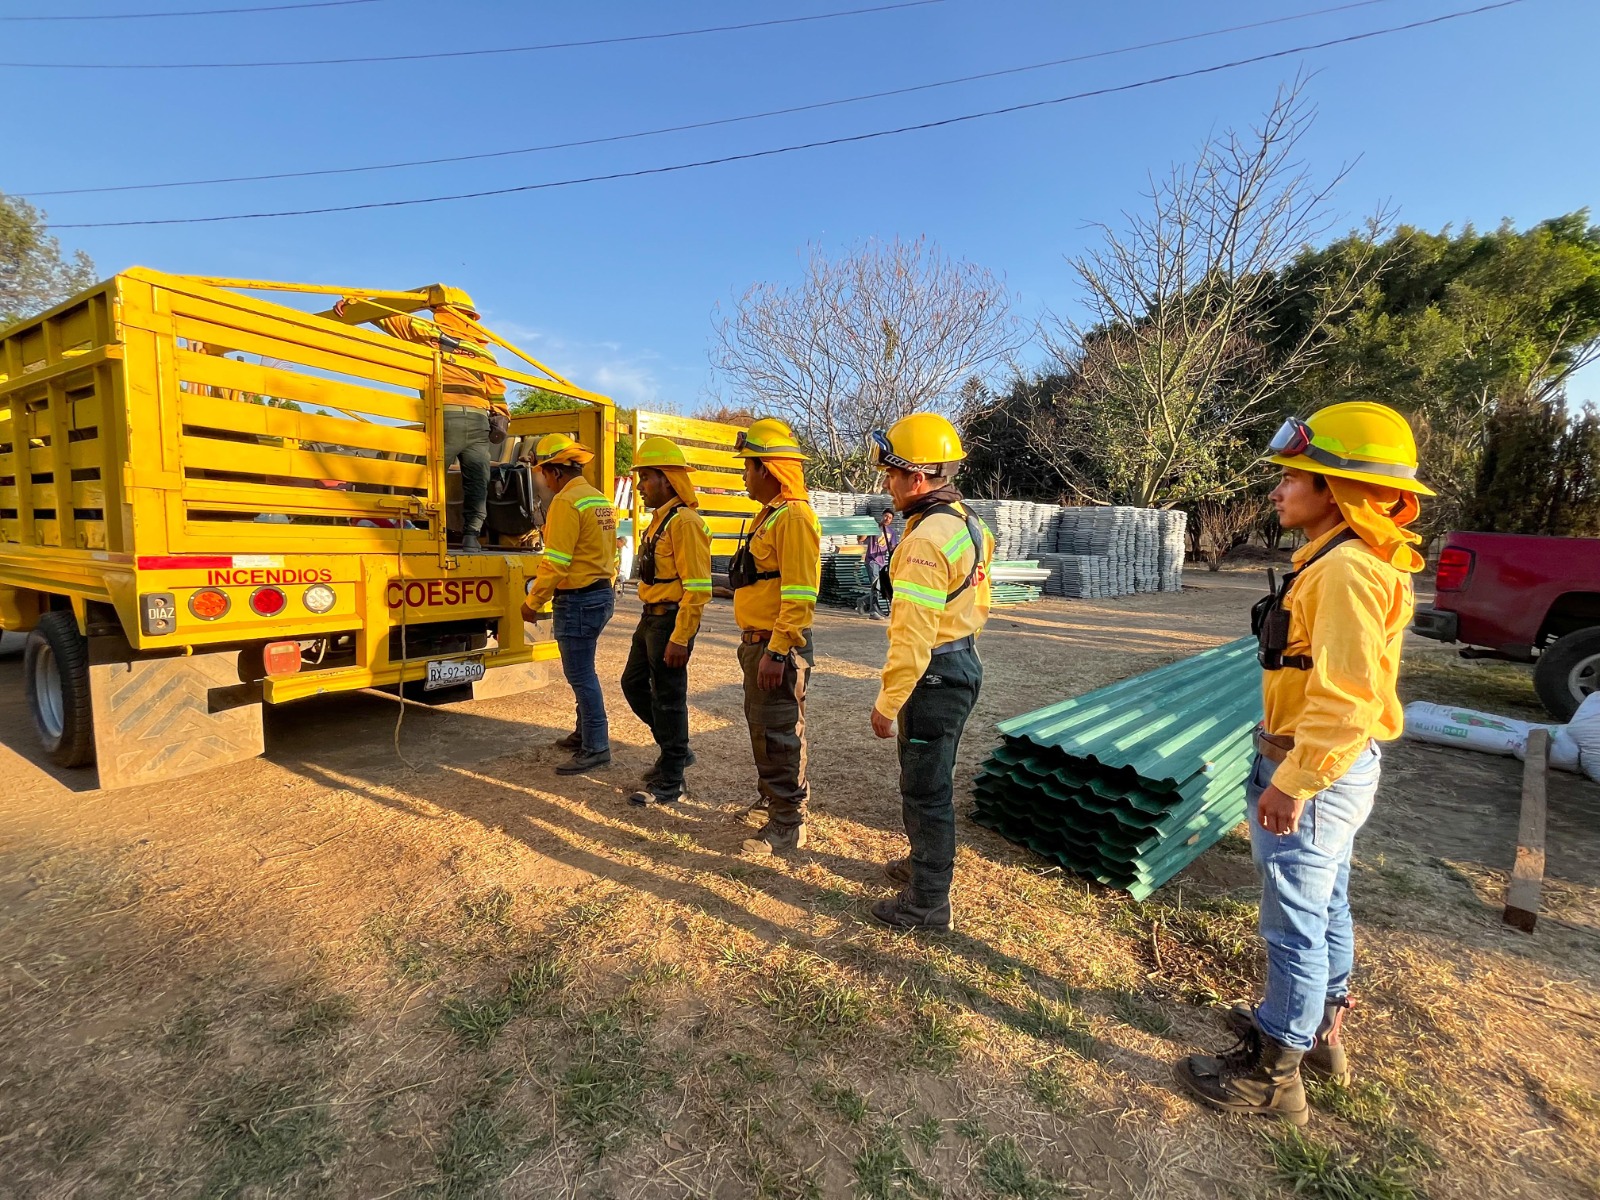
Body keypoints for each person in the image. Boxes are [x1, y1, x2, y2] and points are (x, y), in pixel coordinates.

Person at [1173, 401, 1432, 1127]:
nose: (1279, 491)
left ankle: (1273, 1075)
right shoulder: (1345, 559)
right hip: (1334, 771)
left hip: (1315, 773)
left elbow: (1344, 700)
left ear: (1337, 490)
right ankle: (1319, 1035)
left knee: (1292, 924)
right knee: (1327, 905)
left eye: (1295, 478)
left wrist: (1292, 782)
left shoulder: (1346, 571)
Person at [865, 415, 994, 932]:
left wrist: (888, 701)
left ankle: (927, 902)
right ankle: (922, 867)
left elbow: (912, 637)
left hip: (934, 675)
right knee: (926, 781)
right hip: (960, 661)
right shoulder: (965, 521)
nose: (886, 486)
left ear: (917, 478)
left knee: (926, 790)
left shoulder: (922, 542)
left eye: (891, 476)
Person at [331, 286, 508, 551]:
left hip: (444, 415)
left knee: (429, 479)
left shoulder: (428, 331)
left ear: (442, 310)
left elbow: (389, 317)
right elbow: (496, 389)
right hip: (478, 420)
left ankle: (426, 535)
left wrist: (356, 303)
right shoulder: (483, 351)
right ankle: (472, 537)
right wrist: (502, 416)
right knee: (477, 482)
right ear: (471, 318)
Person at [728, 418, 822, 855]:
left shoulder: (795, 518)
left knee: (780, 734)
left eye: (747, 467)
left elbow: (800, 593)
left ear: (767, 469)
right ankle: (775, 802)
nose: (743, 475)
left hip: (774, 647)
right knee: (763, 731)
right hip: (759, 643)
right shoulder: (769, 517)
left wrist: (778, 651)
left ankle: (789, 823)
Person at [620, 437, 713, 807]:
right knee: (633, 684)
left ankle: (671, 779)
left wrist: (681, 636)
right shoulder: (660, 520)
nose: (640, 487)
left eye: (645, 478)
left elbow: (698, 588)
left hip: (670, 622)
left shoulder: (685, 523)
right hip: (650, 619)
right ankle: (676, 749)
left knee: (669, 699)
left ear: (666, 479)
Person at [521, 433, 619, 775]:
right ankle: (585, 734)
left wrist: (533, 601)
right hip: (601, 593)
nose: (543, 480)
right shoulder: (598, 499)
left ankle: (596, 746)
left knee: (580, 675)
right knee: (584, 671)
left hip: (578, 598)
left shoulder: (566, 502)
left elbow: (556, 562)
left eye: (543, 472)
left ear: (556, 471)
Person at [858, 508, 898, 620]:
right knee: (876, 586)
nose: (887, 519)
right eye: (886, 516)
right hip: (871, 560)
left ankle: (863, 601)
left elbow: (892, 547)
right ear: (882, 516)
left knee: (879, 587)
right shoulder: (874, 528)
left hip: (881, 562)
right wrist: (866, 527)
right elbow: (862, 539)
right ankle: (873, 611)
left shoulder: (891, 532)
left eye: (890, 518)